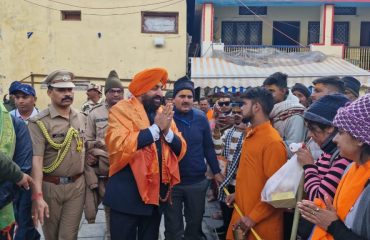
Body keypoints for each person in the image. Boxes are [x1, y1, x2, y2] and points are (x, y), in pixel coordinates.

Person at [103, 68, 187, 240]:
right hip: (126, 196)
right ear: (141, 89)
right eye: (154, 88)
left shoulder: (162, 112)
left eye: (161, 88)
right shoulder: (120, 110)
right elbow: (119, 146)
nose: (160, 93)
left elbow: (180, 147)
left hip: (155, 198)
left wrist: (166, 131)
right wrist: (156, 128)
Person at [297, 94, 370, 240]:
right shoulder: (352, 169)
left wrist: (333, 226)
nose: (335, 139)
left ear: (360, 138)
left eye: (341, 132)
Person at [28, 70, 86, 240]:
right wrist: (37, 196)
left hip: (77, 186)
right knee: (52, 237)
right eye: (61, 90)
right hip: (50, 187)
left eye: (70, 89)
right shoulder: (39, 122)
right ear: (49, 92)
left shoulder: (81, 117)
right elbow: (36, 161)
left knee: (68, 236)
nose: (67, 93)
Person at [164, 77, 224, 240]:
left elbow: (207, 147)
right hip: (172, 184)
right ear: (174, 98)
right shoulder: (165, 118)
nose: (186, 100)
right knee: (173, 228)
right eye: (182, 96)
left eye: (189, 97)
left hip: (197, 182)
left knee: (194, 224)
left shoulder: (200, 118)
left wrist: (216, 171)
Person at [225, 87, 287, 240]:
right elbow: (253, 178)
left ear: (256, 107)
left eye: (244, 104)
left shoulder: (272, 142)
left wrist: (253, 217)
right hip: (242, 215)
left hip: (259, 225)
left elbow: (277, 193)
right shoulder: (251, 134)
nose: (241, 108)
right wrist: (238, 194)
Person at [84, 70, 123, 239]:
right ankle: (110, 232)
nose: (116, 94)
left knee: (126, 201)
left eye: (119, 91)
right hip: (105, 167)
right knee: (109, 201)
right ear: (105, 93)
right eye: (112, 91)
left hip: (126, 165)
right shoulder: (95, 113)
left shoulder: (131, 110)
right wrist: (94, 152)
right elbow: (87, 139)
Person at [213, 105, 246, 239]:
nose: (237, 115)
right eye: (235, 112)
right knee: (225, 207)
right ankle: (225, 228)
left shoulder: (249, 133)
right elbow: (218, 150)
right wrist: (216, 130)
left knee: (236, 211)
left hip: (241, 181)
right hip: (226, 178)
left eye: (240, 112)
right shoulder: (228, 132)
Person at [263, 72, 306, 157]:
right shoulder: (269, 111)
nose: (267, 95)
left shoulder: (295, 114)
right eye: (266, 91)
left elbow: (293, 149)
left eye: (271, 91)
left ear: (283, 91)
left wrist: (264, 145)